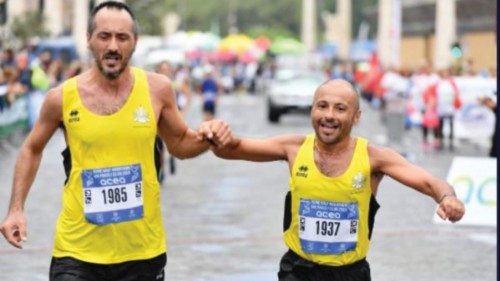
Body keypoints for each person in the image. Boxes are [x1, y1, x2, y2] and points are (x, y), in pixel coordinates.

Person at [0, 2, 231, 281]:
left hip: (142, 252)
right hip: (77, 252)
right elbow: (30, 148)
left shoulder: (157, 89)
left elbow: (180, 143)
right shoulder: (61, 98)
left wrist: (209, 136)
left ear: (135, 42)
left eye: (122, 37)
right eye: (104, 36)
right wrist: (15, 209)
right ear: (89, 40)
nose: (113, 46)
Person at [209, 79, 465, 281]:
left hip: (350, 273)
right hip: (297, 271)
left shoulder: (374, 158)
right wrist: (217, 133)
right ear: (313, 110)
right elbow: (233, 148)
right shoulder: (294, 148)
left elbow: (432, 183)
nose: (329, 115)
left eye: (340, 109)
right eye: (322, 106)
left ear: (356, 117)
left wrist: (448, 198)